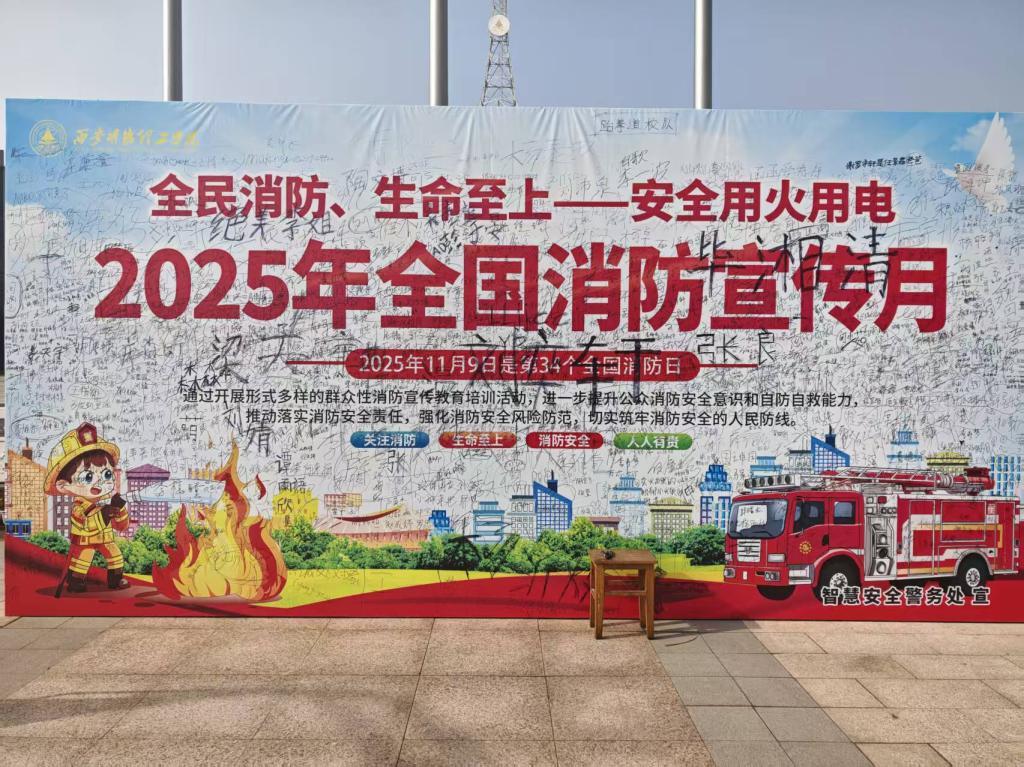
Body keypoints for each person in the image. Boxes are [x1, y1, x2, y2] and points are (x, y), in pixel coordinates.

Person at [44, 422, 131, 593]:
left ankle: (116, 579)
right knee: (82, 559)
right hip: (85, 542)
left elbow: (121, 526)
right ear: (63, 485)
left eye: (107, 474)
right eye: (88, 477)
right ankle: (76, 581)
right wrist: (104, 514)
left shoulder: (104, 503)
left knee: (115, 555)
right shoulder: (78, 507)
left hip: (106, 539)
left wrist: (119, 509)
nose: (100, 483)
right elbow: (84, 523)